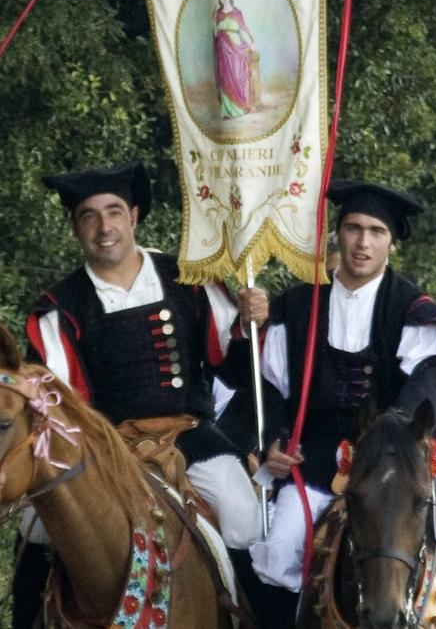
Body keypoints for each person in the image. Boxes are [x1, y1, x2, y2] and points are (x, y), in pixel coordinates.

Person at [248, 180, 436, 628]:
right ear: (338, 235)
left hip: (404, 454)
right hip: (316, 461)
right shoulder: (296, 307)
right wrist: (275, 441)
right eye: (353, 229)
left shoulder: (414, 310)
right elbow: (270, 388)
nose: (363, 242)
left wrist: (396, 432)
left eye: (375, 231)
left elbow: (427, 386)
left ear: (391, 242)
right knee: (277, 552)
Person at [17, 163, 265, 628]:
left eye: (113, 212)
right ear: (76, 227)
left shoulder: (189, 277)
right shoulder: (60, 306)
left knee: (240, 513)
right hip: (105, 448)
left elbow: (231, 365)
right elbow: (56, 401)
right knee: (36, 528)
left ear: (133, 217)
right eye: (89, 216)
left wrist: (252, 326)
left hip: (189, 436)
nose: (104, 227)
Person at [213, 0, 259, 119]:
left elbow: (242, 30)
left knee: (238, 75)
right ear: (219, 0)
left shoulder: (237, 13)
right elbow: (216, 33)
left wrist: (251, 44)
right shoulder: (218, 14)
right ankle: (228, 111)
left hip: (235, 47)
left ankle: (241, 106)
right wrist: (213, 19)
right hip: (222, 49)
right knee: (225, 76)